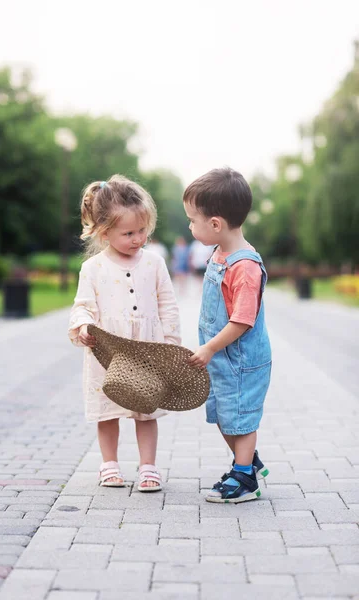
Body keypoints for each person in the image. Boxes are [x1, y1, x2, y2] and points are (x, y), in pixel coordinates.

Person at [69, 175, 181, 491]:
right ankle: (109, 464)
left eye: (143, 231)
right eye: (129, 233)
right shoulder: (93, 269)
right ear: (105, 233)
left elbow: (168, 305)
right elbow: (82, 306)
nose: (138, 239)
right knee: (107, 412)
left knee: (146, 412)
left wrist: (170, 345)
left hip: (147, 350)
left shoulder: (155, 263)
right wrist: (83, 327)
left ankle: (148, 466)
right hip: (108, 352)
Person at [184, 167, 271, 504]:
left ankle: (245, 477)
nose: (191, 226)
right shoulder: (219, 254)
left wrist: (208, 348)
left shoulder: (245, 267)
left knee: (240, 416)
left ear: (216, 224)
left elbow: (242, 321)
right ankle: (247, 462)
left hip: (240, 360)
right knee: (223, 413)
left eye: (193, 220)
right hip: (221, 356)